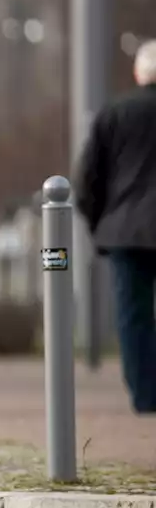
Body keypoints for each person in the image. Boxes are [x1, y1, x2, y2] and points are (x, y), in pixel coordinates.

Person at [75, 39, 156, 415]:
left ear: (139, 73)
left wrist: (98, 224)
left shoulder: (114, 113)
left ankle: (145, 395)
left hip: (125, 232)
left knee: (132, 316)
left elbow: (88, 178)